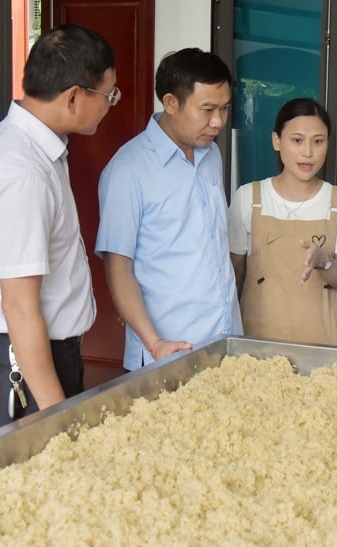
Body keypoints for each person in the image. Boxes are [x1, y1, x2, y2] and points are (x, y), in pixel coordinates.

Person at [0, 25, 116, 431]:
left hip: (43, 355)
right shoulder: (23, 170)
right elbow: (18, 304)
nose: (109, 106)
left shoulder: (37, 147)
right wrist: (56, 414)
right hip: (26, 365)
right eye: (108, 96)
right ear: (74, 96)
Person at [95, 48, 242, 372]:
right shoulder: (128, 171)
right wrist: (154, 343)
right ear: (171, 103)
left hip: (224, 346)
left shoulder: (211, 155)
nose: (218, 121)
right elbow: (118, 268)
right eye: (207, 109)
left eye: (225, 109)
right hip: (167, 354)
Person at [228, 98, 337, 346]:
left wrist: (324, 262)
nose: (308, 152)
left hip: (324, 345)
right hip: (256, 345)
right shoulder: (248, 197)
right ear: (276, 141)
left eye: (318, 141)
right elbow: (233, 274)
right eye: (297, 140)